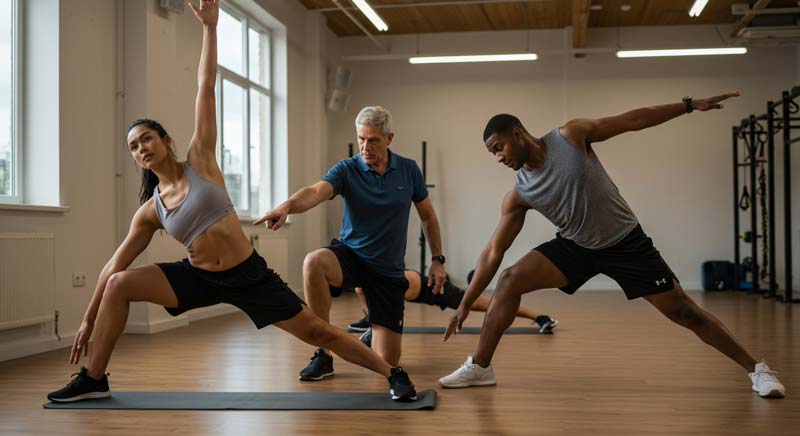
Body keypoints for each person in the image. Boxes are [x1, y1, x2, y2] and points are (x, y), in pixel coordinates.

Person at [47, 0, 416, 404]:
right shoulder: (151, 210)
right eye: (133, 147)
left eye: (147, 138)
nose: (141, 148)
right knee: (120, 283)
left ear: (166, 141)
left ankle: (392, 373)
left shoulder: (200, 160)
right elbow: (113, 265)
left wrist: (210, 27)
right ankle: (94, 378)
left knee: (318, 332)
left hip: (249, 275)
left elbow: (206, 86)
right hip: (200, 278)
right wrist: (87, 317)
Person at [438, 93, 786, 399]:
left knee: (685, 312)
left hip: (626, 243)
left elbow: (633, 120)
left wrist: (689, 105)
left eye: (498, 147)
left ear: (517, 133)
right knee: (511, 278)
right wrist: (465, 302)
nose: (498, 157)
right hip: (577, 247)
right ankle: (480, 367)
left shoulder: (571, 137)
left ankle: (758, 370)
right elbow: (493, 252)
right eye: (491, 154)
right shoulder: (520, 193)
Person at [256, 106, 447, 385]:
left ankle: (374, 330)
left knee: (387, 362)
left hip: (387, 271)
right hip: (352, 256)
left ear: (389, 138)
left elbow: (428, 216)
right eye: (361, 139)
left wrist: (438, 259)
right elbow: (315, 192)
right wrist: (287, 207)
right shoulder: (347, 169)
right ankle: (323, 352)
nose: (365, 146)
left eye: (373, 140)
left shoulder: (408, 170)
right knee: (314, 262)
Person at [347, 269, 558, 347]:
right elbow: (364, 293)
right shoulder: (365, 285)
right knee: (360, 292)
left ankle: (540, 316)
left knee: (487, 306)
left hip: (439, 292)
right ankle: (368, 320)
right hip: (424, 294)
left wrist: (375, 328)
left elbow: (393, 310)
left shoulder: (390, 281)